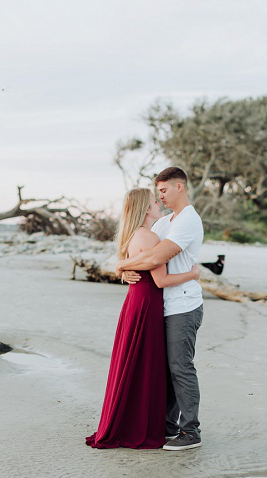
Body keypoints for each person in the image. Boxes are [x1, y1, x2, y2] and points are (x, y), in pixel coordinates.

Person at [86, 187, 199, 449]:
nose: (158, 202)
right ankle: (142, 425)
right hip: (148, 302)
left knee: (136, 362)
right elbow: (161, 280)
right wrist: (193, 275)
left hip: (137, 301)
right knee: (145, 363)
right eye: (153, 200)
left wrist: (121, 266)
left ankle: (134, 421)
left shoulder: (137, 234)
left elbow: (136, 265)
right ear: (146, 208)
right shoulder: (148, 237)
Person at [116, 167, 205, 451]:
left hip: (184, 304)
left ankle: (191, 432)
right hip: (164, 306)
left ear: (180, 187)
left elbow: (156, 256)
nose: (161, 197)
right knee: (166, 369)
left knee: (181, 367)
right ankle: (167, 426)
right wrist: (124, 269)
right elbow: (140, 252)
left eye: (164, 191)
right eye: (157, 193)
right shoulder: (165, 222)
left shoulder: (188, 221)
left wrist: (121, 265)